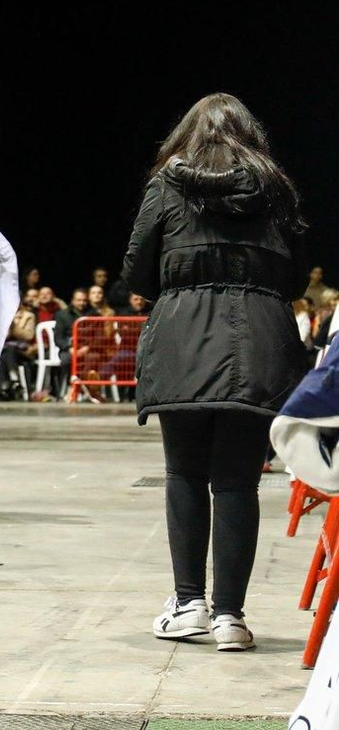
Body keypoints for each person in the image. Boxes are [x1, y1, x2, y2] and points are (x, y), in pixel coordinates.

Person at [123, 92, 307, 653]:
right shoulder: (277, 191)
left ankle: (188, 605)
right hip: (261, 339)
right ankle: (231, 617)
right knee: (237, 479)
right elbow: (296, 278)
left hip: (183, 334)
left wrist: (182, 286)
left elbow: (136, 269)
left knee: (184, 472)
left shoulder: (167, 185)